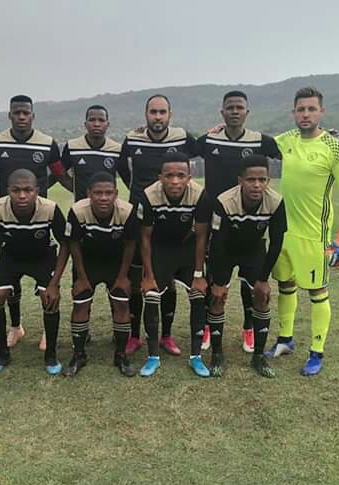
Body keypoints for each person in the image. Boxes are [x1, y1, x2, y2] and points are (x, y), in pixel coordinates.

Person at [267, 87, 339, 376]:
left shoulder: (335, 148)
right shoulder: (285, 140)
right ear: (293, 112)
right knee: (285, 285)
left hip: (314, 236)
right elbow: (255, 144)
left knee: (317, 291)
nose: (305, 114)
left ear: (321, 111)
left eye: (311, 109)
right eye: (300, 109)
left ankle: (316, 352)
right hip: (284, 233)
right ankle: (285, 340)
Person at [195, 91, 281, 353]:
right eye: (230, 107)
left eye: (239, 107)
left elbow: (292, 151)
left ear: (247, 112)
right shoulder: (209, 140)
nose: (234, 111)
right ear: (222, 112)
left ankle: (248, 328)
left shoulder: (260, 141)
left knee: (249, 281)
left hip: (250, 222)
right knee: (215, 278)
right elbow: (177, 149)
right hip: (217, 218)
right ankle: (208, 325)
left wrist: (322, 137)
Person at [0, 95, 70, 351]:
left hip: (37, 220)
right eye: (17, 112)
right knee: (10, 278)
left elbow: (59, 174)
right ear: (9, 115)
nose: (21, 117)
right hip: (6, 218)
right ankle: (15, 327)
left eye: (26, 113)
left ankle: (46, 332)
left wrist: (84, 194)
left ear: (33, 116)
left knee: (46, 285)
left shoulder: (47, 143)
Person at [120, 94, 198, 357]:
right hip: (139, 217)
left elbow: (204, 149)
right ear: (146, 114)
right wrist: (139, 191)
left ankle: (166, 335)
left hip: (170, 221)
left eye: (162, 112)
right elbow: (122, 168)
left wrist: (217, 130)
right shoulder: (132, 139)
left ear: (169, 115)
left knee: (167, 281)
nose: (157, 117)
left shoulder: (182, 137)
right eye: (153, 112)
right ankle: (134, 336)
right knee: (137, 279)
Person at [0, 169, 69, 375]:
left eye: (28, 190)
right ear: (8, 191)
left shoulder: (50, 208)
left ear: (37, 191)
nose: (22, 195)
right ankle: (3, 354)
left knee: (50, 299)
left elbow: (65, 244)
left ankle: (51, 355)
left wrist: (54, 283)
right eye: (16, 190)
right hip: (11, 257)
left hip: (42, 257)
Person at [207, 154, 286, 377]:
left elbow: (276, 242)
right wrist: (218, 282)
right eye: (251, 179)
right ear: (240, 180)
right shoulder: (224, 201)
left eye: (262, 179)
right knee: (217, 298)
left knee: (261, 296)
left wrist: (263, 279)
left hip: (254, 250)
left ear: (268, 180)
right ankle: (217, 354)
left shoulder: (276, 201)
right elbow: (217, 244)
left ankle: (258, 356)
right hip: (226, 250)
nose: (257, 185)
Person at [138, 152, 211, 377]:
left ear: (189, 177)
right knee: (152, 295)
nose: (175, 181)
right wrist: (148, 275)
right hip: (160, 250)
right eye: (169, 176)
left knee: (198, 295)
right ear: (160, 177)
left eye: (181, 175)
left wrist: (198, 274)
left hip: (187, 248)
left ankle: (196, 357)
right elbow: (145, 238)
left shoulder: (200, 194)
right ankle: (153, 357)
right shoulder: (148, 195)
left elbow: (201, 236)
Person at [63, 171, 137, 377]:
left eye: (108, 193)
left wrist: (123, 277)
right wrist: (81, 277)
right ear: (89, 193)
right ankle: (79, 354)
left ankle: (121, 355)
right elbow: (73, 243)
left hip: (116, 263)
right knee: (81, 303)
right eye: (98, 193)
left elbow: (130, 244)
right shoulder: (77, 211)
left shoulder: (127, 211)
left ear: (116, 194)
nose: (103, 198)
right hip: (88, 263)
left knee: (122, 303)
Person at [60, 105, 129, 202]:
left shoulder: (117, 149)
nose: (97, 124)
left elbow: (127, 178)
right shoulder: (72, 146)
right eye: (92, 120)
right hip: (81, 207)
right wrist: (76, 189)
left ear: (107, 124)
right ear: (85, 124)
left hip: (108, 207)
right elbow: (60, 173)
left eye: (101, 120)